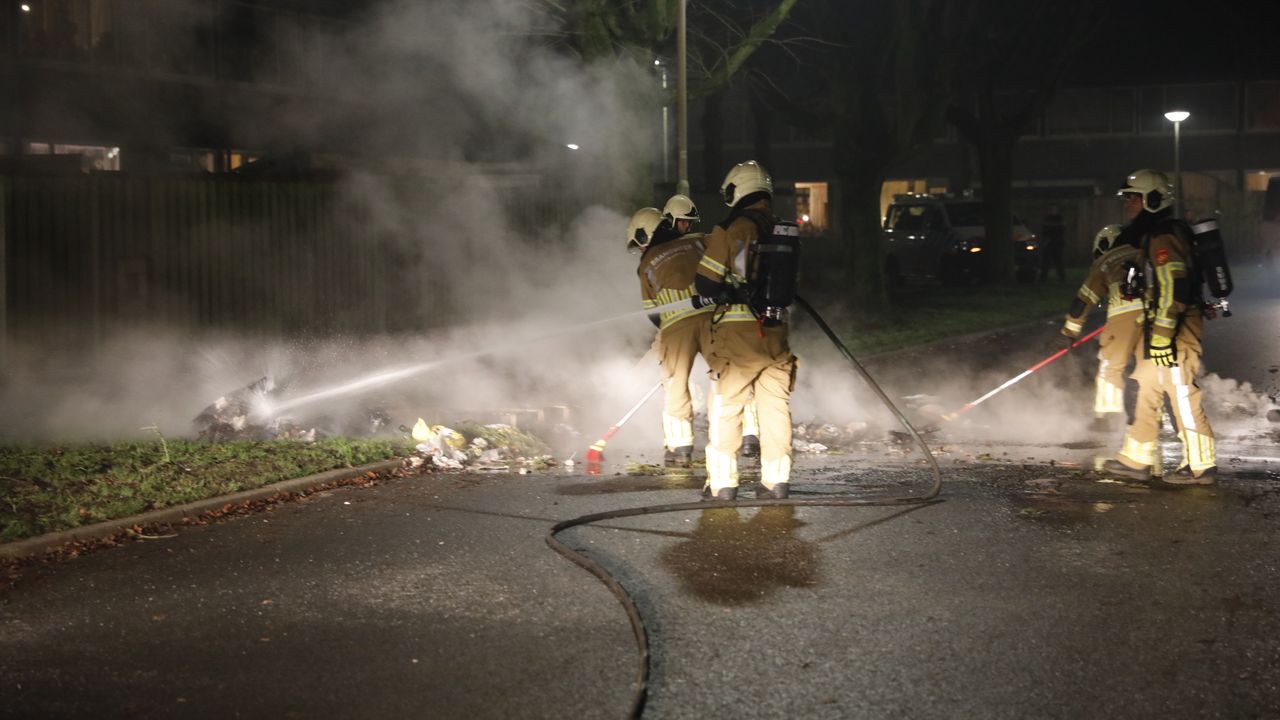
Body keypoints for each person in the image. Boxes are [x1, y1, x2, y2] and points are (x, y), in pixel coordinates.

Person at [1100, 169, 1217, 485]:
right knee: (1148, 384)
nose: (1128, 204)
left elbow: (1174, 288)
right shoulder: (1156, 234)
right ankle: (1136, 459)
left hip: (1173, 329)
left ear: (1152, 199)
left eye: (1133, 198)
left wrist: (1163, 337)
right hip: (1161, 327)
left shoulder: (1164, 236)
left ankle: (1201, 467)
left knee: (1180, 392)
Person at [695, 160, 798, 500]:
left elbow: (706, 283)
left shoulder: (731, 229)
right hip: (776, 330)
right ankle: (776, 482)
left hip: (739, 333)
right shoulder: (781, 228)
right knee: (775, 408)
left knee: (727, 406)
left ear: (737, 189)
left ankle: (723, 484)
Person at [631, 201, 713, 467]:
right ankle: (746, 436)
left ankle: (680, 447)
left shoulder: (646, 264)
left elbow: (652, 313)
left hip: (675, 328)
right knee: (728, 377)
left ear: (645, 235)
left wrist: (669, 337)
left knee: (674, 383)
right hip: (714, 318)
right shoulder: (696, 243)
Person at [1058, 223, 1144, 433]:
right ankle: (1151, 416)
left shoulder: (1106, 261)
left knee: (1109, 366)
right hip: (1154, 317)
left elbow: (1083, 301)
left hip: (1122, 319)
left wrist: (1070, 332)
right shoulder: (1143, 253)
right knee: (1149, 368)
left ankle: (1107, 417)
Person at [1039, 205, 1066, 282]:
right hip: (1049, 243)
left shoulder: (1059, 218)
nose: (1052, 211)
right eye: (1051, 210)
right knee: (1046, 262)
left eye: (1053, 210)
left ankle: (1062, 277)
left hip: (1057, 243)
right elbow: (1044, 231)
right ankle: (1043, 277)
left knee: (1059, 261)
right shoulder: (1047, 219)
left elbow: (1062, 230)